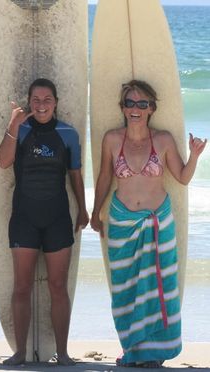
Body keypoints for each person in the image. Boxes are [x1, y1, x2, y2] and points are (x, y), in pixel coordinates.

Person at [90, 79, 207, 368]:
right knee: (126, 291)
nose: (135, 109)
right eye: (130, 103)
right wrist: (95, 213)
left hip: (158, 225)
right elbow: (105, 177)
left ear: (151, 108)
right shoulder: (112, 140)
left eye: (142, 104)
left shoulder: (164, 140)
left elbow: (182, 177)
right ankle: (132, 350)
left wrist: (195, 156)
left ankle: (155, 353)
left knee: (160, 289)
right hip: (121, 225)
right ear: (122, 107)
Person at [0, 78, 89, 366]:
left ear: (56, 102)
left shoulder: (68, 134)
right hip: (24, 217)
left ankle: (62, 352)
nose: (41, 105)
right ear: (29, 102)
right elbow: (2, 161)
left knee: (58, 287)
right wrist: (13, 124)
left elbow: (75, 175)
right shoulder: (20, 131)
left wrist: (83, 210)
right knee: (21, 287)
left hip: (57, 218)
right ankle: (19, 352)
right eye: (36, 100)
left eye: (47, 99)